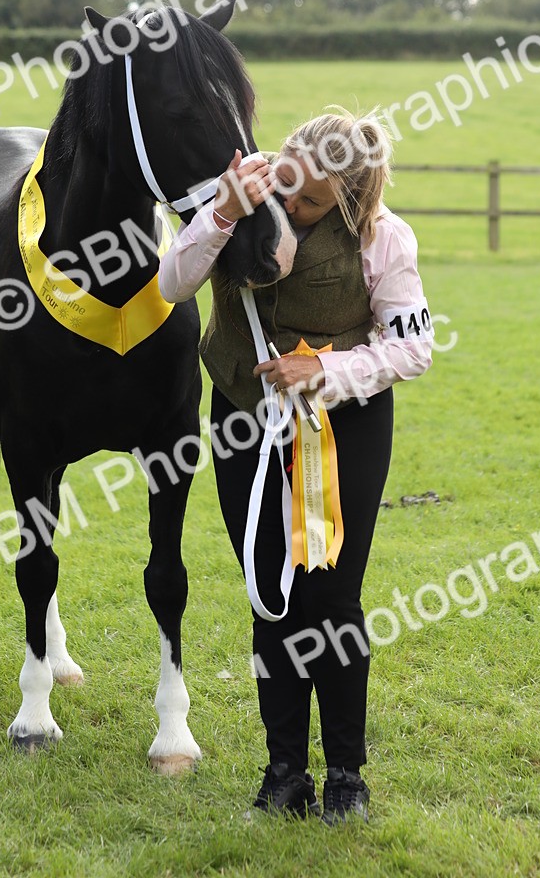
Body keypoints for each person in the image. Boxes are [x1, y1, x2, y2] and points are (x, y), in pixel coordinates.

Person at [158, 109, 433, 825]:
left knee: (332, 602)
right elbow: (172, 284)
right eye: (285, 186)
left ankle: (347, 776)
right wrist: (221, 214)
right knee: (269, 595)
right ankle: (284, 773)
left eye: (308, 201)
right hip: (243, 420)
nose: (288, 205)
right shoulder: (244, 198)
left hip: (344, 427)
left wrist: (326, 368)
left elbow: (413, 349)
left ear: (349, 201)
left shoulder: (385, 239)